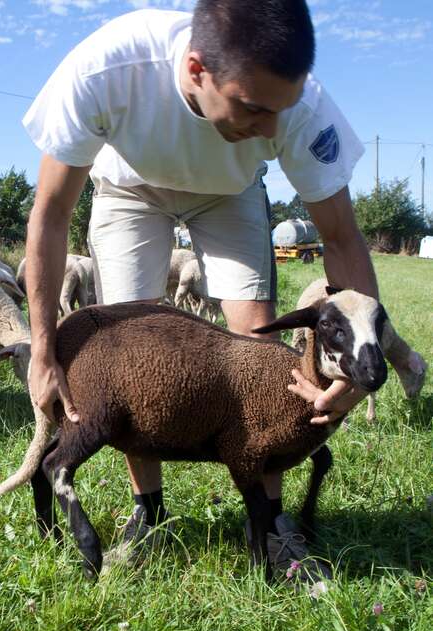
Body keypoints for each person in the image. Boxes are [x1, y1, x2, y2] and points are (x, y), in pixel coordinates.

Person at [22, 0, 378, 579]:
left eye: (279, 111)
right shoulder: (106, 70)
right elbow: (50, 217)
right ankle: (148, 508)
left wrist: (359, 370)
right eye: (252, 108)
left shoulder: (300, 108)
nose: (269, 128)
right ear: (195, 70)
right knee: (133, 358)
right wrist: (42, 351)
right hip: (129, 190)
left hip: (231, 192)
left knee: (257, 348)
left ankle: (270, 520)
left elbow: (339, 237)